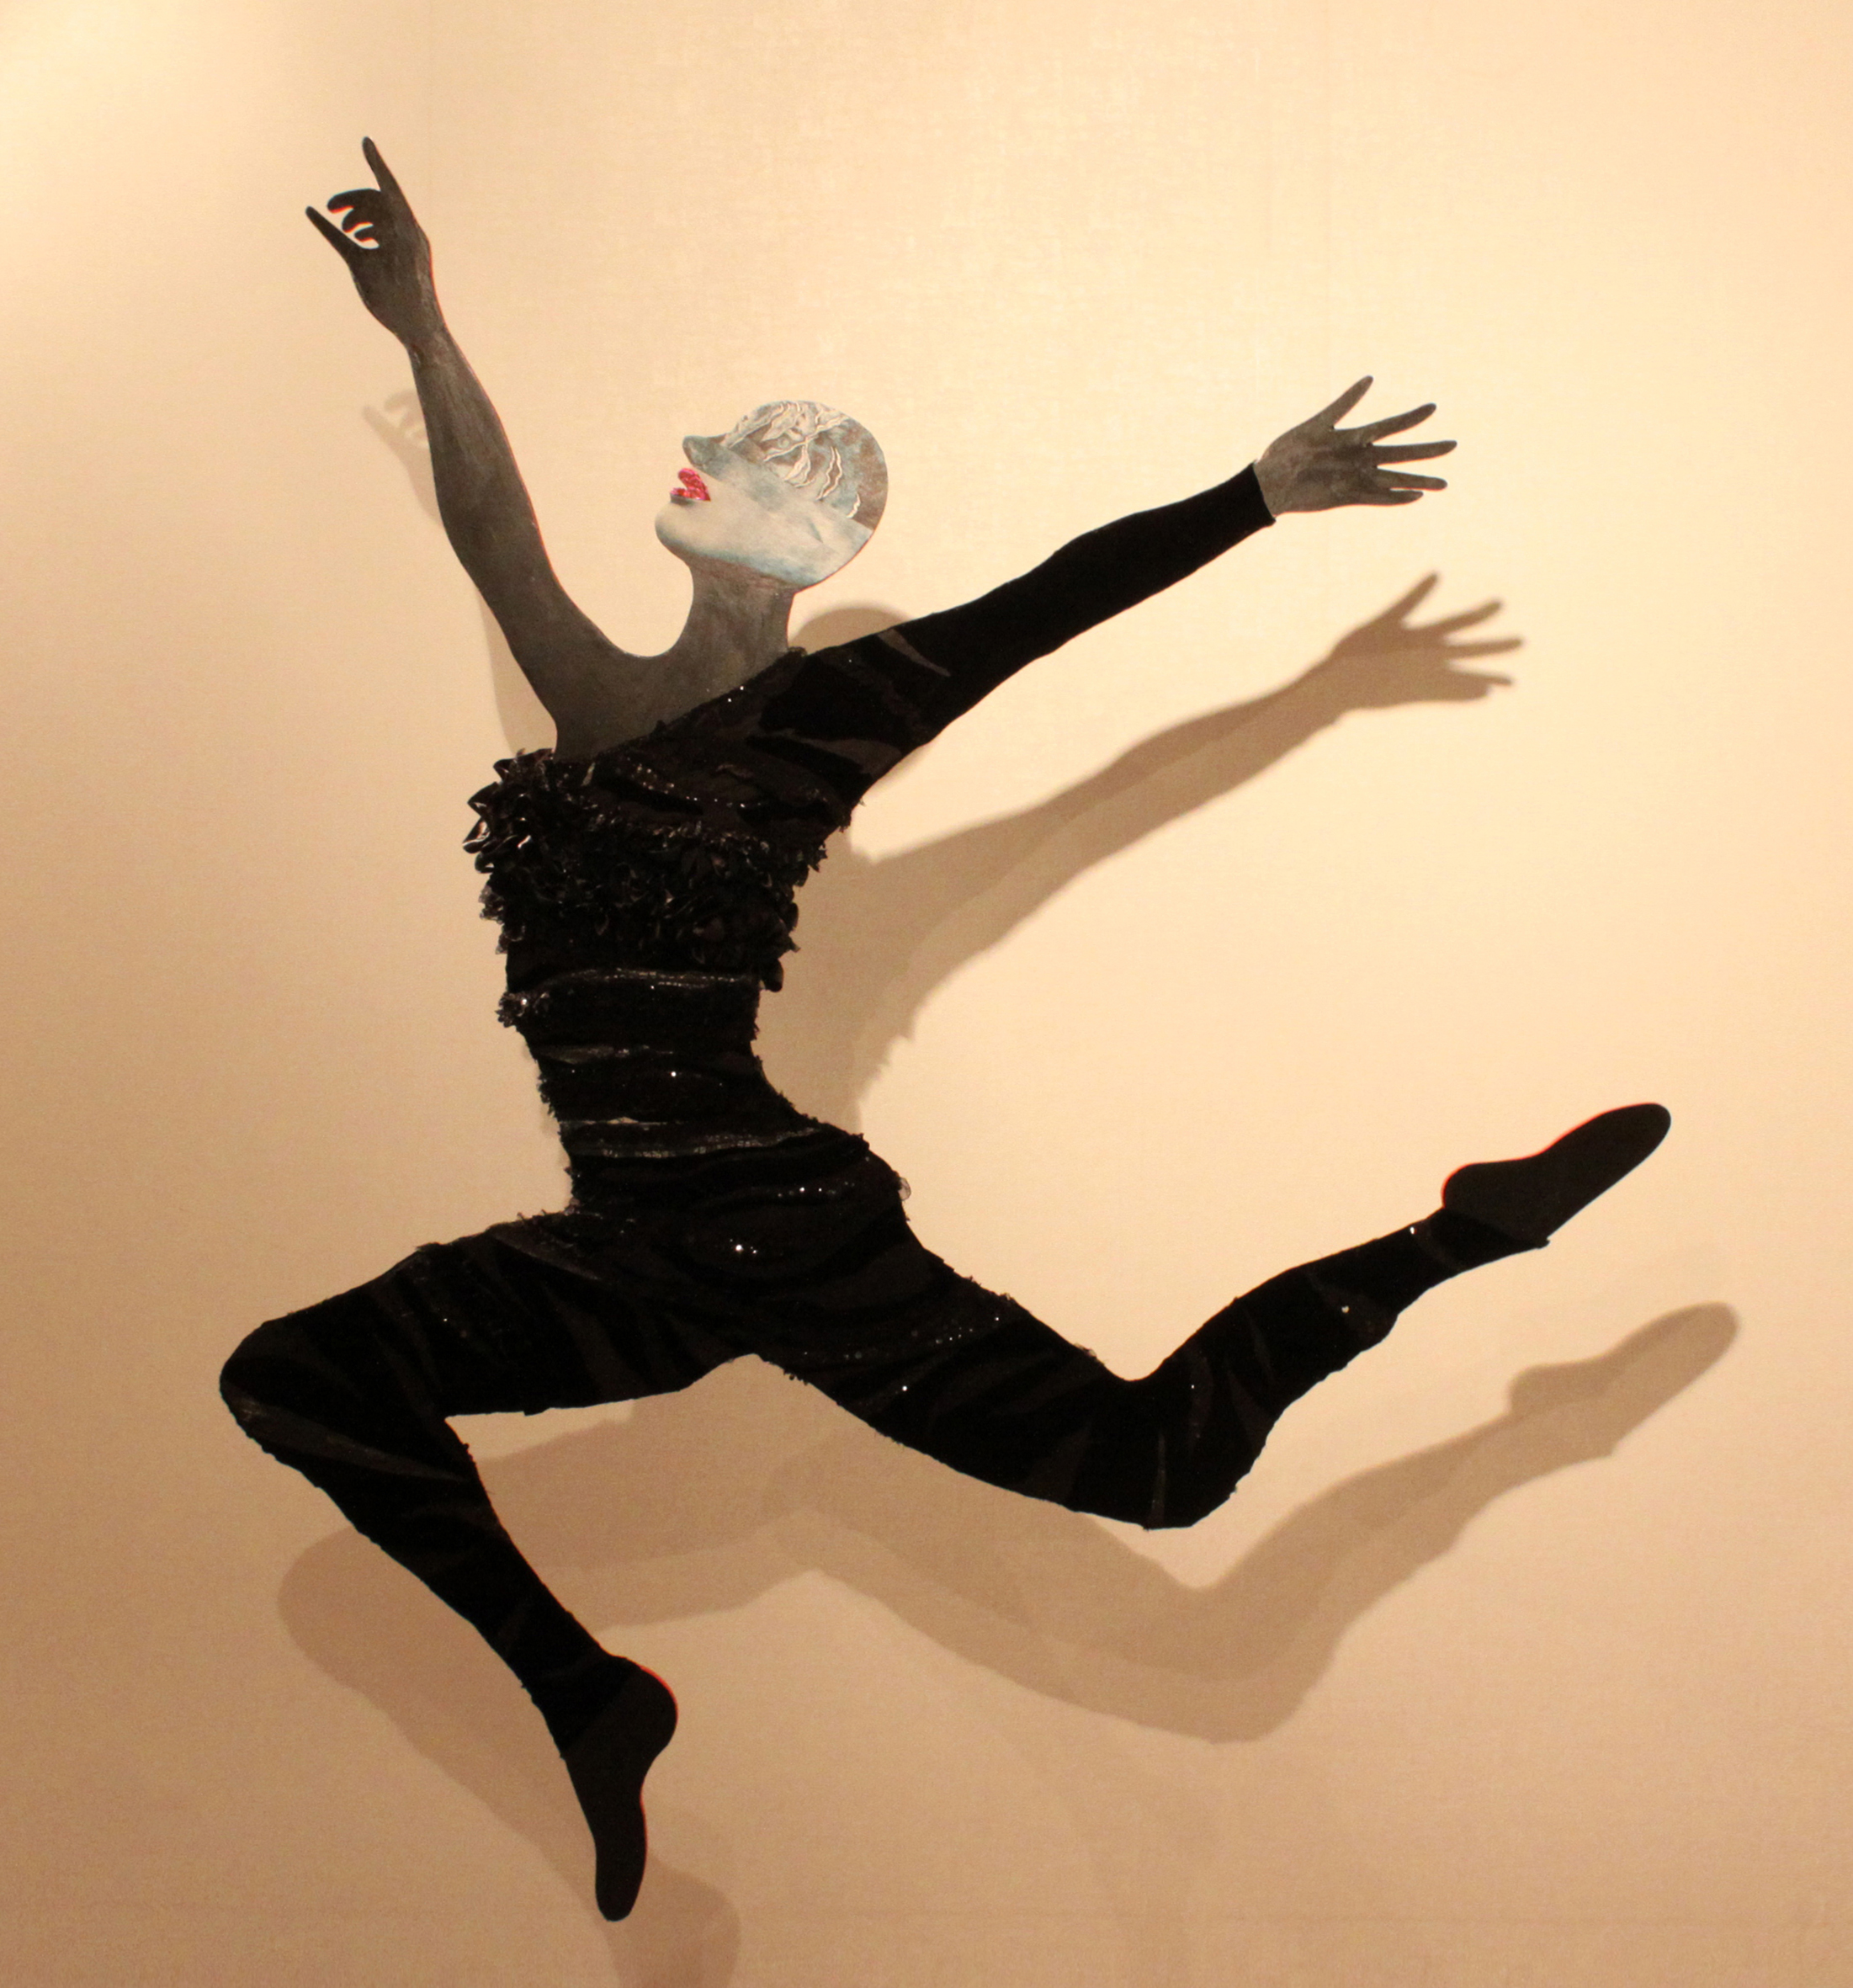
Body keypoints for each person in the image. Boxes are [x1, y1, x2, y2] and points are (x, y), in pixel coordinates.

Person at [221, 140, 1670, 1921]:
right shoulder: (597, 696)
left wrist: (1251, 496)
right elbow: (492, 529)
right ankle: (587, 1691)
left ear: (823, 539)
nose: (706, 445)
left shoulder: (832, 709)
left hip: (767, 1216)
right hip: (636, 1247)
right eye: (734, 430)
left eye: (766, 450)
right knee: (294, 1375)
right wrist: (422, 319)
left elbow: (1045, 605)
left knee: (1159, 1466)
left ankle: (1461, 1231)